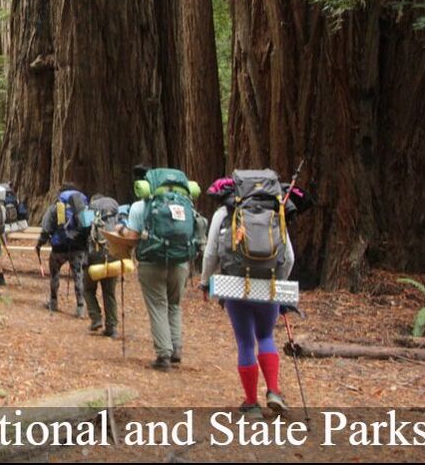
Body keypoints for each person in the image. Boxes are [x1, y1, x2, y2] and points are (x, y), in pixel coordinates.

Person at [201, 173, 296, 418]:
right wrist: (280, 287)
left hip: (236, 285)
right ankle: (274, 391)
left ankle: (252, 402)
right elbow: (290, 257)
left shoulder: (225, 212)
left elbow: (211, 253)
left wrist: (204, 283)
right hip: (270, 285)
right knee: (266, 337)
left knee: (245, 342)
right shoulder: (276, 211)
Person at [117, 165, 199, 372]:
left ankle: (163, 354)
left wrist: (121, 230)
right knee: (174, 305)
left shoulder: (139, 206)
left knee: (158, 306)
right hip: (180, 262)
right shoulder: (186, 204)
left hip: (152, 262)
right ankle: (176, 349)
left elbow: (133, 237)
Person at [36, 186, 89, 316]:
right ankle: (80, 306)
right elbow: (88, 227)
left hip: (58, 248)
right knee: (78, 276)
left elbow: (46, 229)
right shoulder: (82, 206)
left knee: (54, 275)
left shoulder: (55, 207)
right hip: (78, 247)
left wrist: (39, 244)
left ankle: (53, 302)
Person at [85, 194, 121, 336]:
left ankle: (95, 318)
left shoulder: (89, 214)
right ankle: (112, 327)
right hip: (113, 255)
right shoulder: (116, 214)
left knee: (87, 288)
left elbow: (82, 234)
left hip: (94, 256)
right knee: (109, 293)